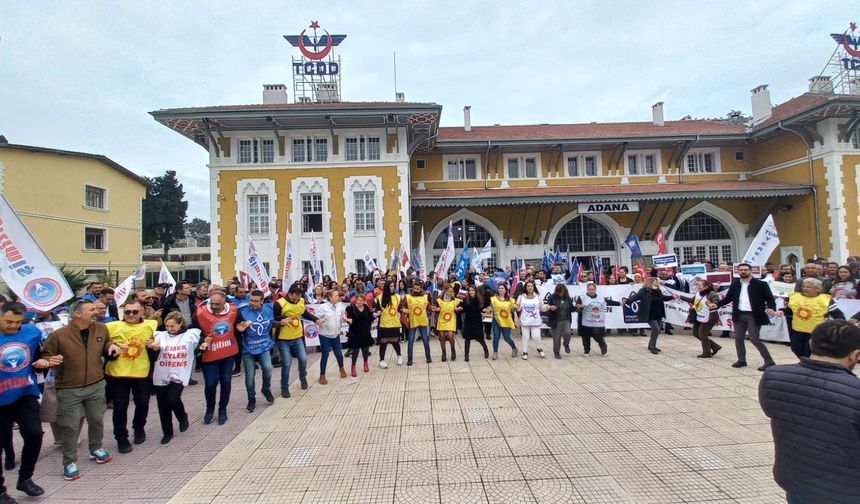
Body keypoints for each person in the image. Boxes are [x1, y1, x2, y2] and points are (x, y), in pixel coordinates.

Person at [759, 320, 860, 504]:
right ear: (854, 355)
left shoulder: (773, 376)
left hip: (796, 480)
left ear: (811, 344)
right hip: (846, 491)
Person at [41, 300, 123, 481]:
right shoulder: (59, 335)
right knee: (69, 426)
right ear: (77, 314)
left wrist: (112, 347)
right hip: (69, 388)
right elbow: (46, 355)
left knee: (96, 419)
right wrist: (49, 360)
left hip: (96, 383)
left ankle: (96, 448)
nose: (97, 312)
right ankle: (69, 461)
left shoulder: (101, 328)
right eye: (92, 309)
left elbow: (106, 344)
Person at [0, 303, 55, 499]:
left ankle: (25, 479)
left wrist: (43, 363)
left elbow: (42, 355)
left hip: (25, 394)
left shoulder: (31, 332)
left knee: (34, 434)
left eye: (18, 322)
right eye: (8, 321)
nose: (14, 326)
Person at [104, 300, 158, 453]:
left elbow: (160, 344)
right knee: (120, 407)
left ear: (142, 311)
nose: (131, 315)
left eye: (135, 311)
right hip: (118, 373)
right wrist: (111, 346)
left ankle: (139, 427)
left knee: (142, 403)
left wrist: (154, 348)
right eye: (128, 312)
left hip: (141, 372)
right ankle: (121, 438)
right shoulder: (111, 326)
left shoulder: (151, 325)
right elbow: (102, 344)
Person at [146, 312, 201, 444]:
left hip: (180, 372)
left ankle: (182, 417)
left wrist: (202, 348)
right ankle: (167, 432)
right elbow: (152, 358)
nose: (169, 329)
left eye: (172, 326)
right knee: (162, 404)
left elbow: (198, 351)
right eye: (167, 326)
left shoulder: (190, 335)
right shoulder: (159, 336)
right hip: (162, 373)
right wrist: (153, 349)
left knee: (172, 399)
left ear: (180, 324)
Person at [715, 262, 778, 370]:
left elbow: (770, 298)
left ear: (750, 271)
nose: (743, 271)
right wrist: (716, 305)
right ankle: (741, 360)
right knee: (738, 338)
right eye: (741, 270)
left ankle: (769, 361)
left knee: (754, 339)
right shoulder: (735, 284)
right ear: (737, 271)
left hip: (753, 315)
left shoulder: (760, 284)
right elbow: (728, 298)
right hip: (739, 314)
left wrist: (771, 308)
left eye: (745, 270)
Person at [196, 291, 245, 425]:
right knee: (211, 384)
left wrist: (241, 330)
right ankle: (209, 409)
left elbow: (239, 325)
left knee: (226, 381)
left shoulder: (234, 310)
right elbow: (192, 331)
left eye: (217, 304)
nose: (214, 306)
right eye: (212, 303)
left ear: (224, 303)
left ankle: (222, 410)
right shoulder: (200, 313)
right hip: (210, 354)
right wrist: (202, 340)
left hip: (227, 353)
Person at [780, 278, 844, 359]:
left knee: (808, 352)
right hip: (798, 330)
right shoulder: (796, 297)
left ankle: (807, 366)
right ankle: (805, 363)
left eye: (808, 287)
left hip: (815, 332)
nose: (805, 288)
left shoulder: (825, 300)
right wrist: (782, 311)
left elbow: (838, 315)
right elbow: (789, 311)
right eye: (804, 286)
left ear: (818, 289)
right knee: (795, 348)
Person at [275, 285, 318, 397]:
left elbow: (304, 313)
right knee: (287, 363)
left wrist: (316, 319)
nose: (297, 299)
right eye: (295, 297)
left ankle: (303, 377)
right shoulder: (279, 303)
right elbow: (273, 317)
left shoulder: (301, 301)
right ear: (289, 294)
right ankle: (284, 387)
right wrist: (282, 319)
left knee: (303, 359)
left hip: (297, 336)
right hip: (283, 339)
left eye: (299, 297)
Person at [236, 290, 275, 412]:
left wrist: (282, 322)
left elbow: (274, 321)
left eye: (255, 301)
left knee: (268, 368)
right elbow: (236, 328)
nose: (252, 303)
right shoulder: (242, 311)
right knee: (250, 375)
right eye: (251, 300)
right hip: (248, 348)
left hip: (264, 345)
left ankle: (266, 388)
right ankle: (251, 399)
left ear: (262, 301)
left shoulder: (269, 307)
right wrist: (240, 329)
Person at [627, 277, 675, 354]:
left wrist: (672, 297)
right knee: (655, 329)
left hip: (658, 313)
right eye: (656, 282)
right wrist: (626, 300)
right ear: (651, 282)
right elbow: (634, 298)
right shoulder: (643, 292)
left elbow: (663, 298)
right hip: (649, 313)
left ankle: (651, 345)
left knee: (657, 330)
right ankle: (652, 347)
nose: (658, 283)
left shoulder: (658, 290)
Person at [679, 279, 723, 358]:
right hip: (699, 316)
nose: (698, 287)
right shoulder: (698, 293)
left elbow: (716, 303)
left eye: (699, 285)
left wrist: (711, 304)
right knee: (696, 333)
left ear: (706, 286)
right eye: (697, 285)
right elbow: (692, 300)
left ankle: (707, 353)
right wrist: (680, 297)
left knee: (703, 334)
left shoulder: (712, 294)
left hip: (710, 317)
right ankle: (715, 346)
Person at [575, 283, 619, 356]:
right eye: (589, 289)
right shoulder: (582, 297)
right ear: (587, 290)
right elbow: (577, 306)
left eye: (592, 289)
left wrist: (619, 303)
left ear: (595, 290)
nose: (591, 291)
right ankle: (586, 350)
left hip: (597, 322)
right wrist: (580, 306)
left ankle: (603, 347)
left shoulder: (600, 298)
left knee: (597, 336)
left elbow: (609, 302)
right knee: (586, 337)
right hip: (586, 321)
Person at [314, 289, 347, 384]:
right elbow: (316, 318)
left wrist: (344, 319)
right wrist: (317, 321)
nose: (338, 297)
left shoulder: (340, 306)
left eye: (338, 295)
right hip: (324, 335)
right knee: (325, 354)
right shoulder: (322, 307)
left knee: (339, 354)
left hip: (335, 334)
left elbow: (341, 317)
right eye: (336, 296)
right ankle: (322, 375)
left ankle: (341, 368)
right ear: (330, 297)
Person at [401, 281, 432, 366]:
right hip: (412, 321)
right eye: (414, 288)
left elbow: (429, 307)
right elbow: (401, 305)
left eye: (417, 288)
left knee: (425, 339)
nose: (416, 290)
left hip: (422, 321)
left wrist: (432, 310)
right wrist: (403, 309)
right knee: (410, 340)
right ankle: (410, 359)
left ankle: (428, 357)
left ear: (421, 288)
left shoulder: (426, 296)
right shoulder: (407, 297)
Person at [484, 284, 518, 360]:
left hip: (506, 321)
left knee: (507, 338)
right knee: (496, 336)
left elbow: (512, 310)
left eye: (502, 288)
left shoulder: (511, 300)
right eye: (499, 288)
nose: (500, 289)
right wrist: (488, 310)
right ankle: (495, 353)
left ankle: (514, 348)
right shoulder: (493, 299)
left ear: (506, 290)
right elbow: (491, 308)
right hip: (496, 320)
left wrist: (515, 307)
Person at [374, 280, 403, 368]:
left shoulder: (398, 297)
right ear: (387, 287)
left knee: (395, 341)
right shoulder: (379, 298)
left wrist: (403, 310)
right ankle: (382, 360)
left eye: (393, 286)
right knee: (383, 342)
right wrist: (376, 313)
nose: (392, 288)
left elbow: (400, 308)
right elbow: (378, 310)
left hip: (394, 323)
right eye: (390, 286)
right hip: (384, 323)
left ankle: (399, 355)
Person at [345, 293, 375, 376]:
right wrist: (347, 320)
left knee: (365, 350)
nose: (359, 301)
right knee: (355, 352)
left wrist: (375, 314)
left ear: (364, 301)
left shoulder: (366, 308)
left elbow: (371, 318)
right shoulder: (351, 308)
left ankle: (365, 363)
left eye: (361, 300)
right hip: (355, 333)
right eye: (358, 300)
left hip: (365, 333)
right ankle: (353, 366)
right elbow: (349, 319)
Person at [516, 281, 545, 360]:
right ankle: (525, 352)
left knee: (536, 336)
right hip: (525, 320)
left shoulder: (538, 296)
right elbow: (518, 308)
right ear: (525, 287)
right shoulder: (521, 297)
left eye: (531, 286)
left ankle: (539, 348)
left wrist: (547, 307)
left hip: (535, 320)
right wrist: (516, 306)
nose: (530, 287)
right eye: (528, 286)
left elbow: (542, 307)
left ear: (534, 287)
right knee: (525, 337)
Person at [544, 284, 574, 359]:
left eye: (562, 292)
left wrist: (578, 307)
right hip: (556, 321)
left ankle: (566, 343)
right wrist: (551, 308)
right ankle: (556, 352)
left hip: (566, 320)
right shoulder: (551, 298)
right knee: (556, 338)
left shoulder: (568, 298)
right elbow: (547, 309)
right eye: (559, 291)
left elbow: (572, 308)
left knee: (568, 333)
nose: (561, 293)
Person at [434, 284, 462, 362]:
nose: (451, 293)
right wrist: (436, 309)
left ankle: (453, 350)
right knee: (442, 336)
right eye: (449, 291)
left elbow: (457, 308)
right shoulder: (439, 300)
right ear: (445, 291)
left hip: (451, 320)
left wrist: (458, 309)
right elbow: (437, 309)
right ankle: (444, 353)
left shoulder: (455, 300)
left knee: (450, 335)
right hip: (442, 320)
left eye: (452, 291)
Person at [461, 285, 489, 362]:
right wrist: (459, 308)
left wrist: (485, 310)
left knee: (480, 338)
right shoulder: (465, 299)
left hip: (477, 321)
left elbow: (482, 308)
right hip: (468, 321)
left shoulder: (480, 299)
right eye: (470, 290)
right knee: (467, 339)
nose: (471, 292)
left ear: (475, 291)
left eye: (472, 290)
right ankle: (466, 355)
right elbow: (463, 309)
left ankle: (486, 350)